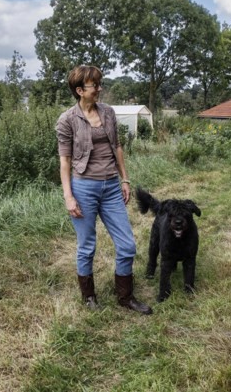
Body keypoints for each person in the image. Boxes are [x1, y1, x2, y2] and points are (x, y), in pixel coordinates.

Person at [56, 65, 152, 315]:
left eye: (99, 84)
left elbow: (117, 146)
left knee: (127, 244)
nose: (99, 89)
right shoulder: (67, 120)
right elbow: (64, 161)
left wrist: (125, 180)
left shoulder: (108, 112)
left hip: (110, 187)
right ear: (79, 90)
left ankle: (125, 296)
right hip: (83, 188)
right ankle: (89, 296)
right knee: (87, 245)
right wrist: (69, 196)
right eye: (94, 85)